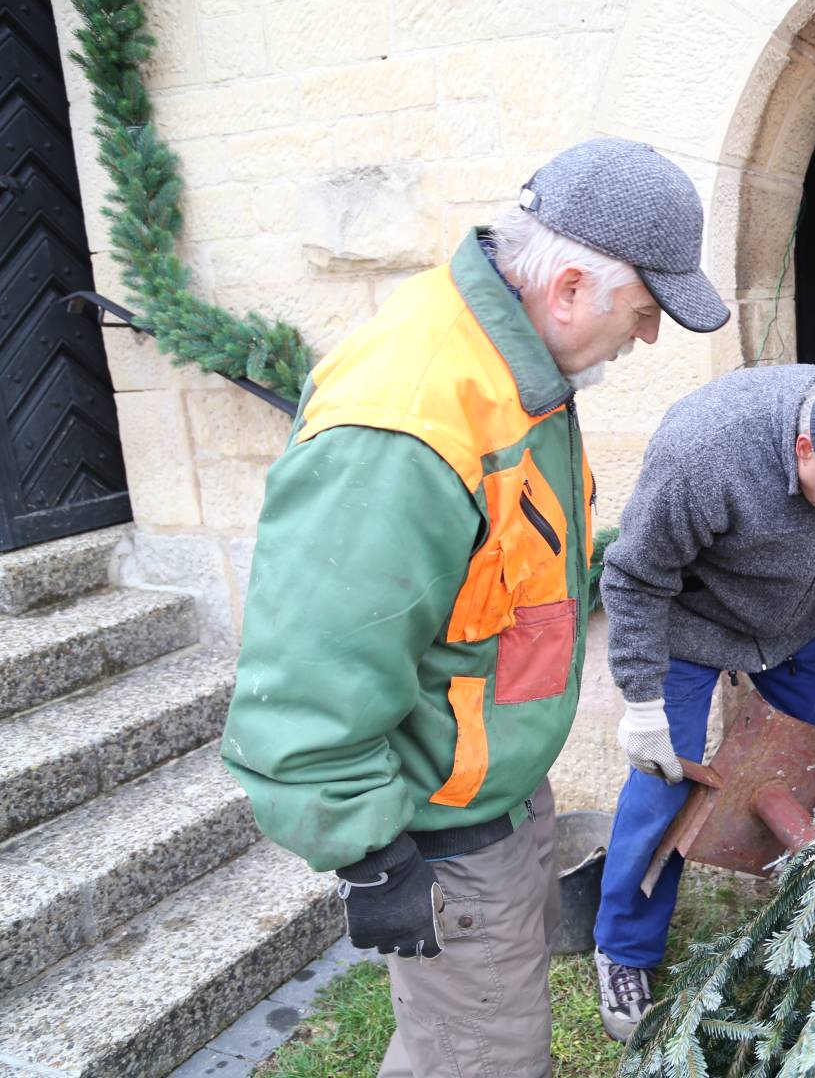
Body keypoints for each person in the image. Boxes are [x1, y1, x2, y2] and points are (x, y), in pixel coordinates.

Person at [220, 138, 730, 1078]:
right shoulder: (408, 421)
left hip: (497, 796)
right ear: (571, 286)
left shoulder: (522, 367)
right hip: (442, 834)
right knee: (485, 1060)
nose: (648, 338)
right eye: (646, 311)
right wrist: (372, 859)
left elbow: (503, 573)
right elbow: (306, 684)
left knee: (455, 1047)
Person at [592, 359, 815, 1041]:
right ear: (804, 447)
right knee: (665, 783)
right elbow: (633, 579)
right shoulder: (707, 449)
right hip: (692, 627)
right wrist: (640, 702)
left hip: (799, 622)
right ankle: (625, 949)